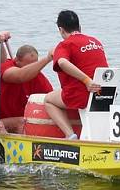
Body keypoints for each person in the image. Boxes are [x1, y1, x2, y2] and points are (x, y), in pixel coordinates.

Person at [43, 10, 108, 139]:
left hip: (82, 95)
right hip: (104, 94)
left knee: (48, 100)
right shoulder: (95, 42)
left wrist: (86, 80)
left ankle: (70, 135)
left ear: (61, 30)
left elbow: (62, 62)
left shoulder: (65, 44)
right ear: (79, 26)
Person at [0, 45, 54, 133]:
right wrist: (47, 59)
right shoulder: (6, 65)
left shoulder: (38, 76)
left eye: (35, 64)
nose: (34, 68)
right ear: (16, 60)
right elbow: (20, 76)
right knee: (22, 122)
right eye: (29, 65)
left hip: (22, 119)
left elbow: (51, 98)